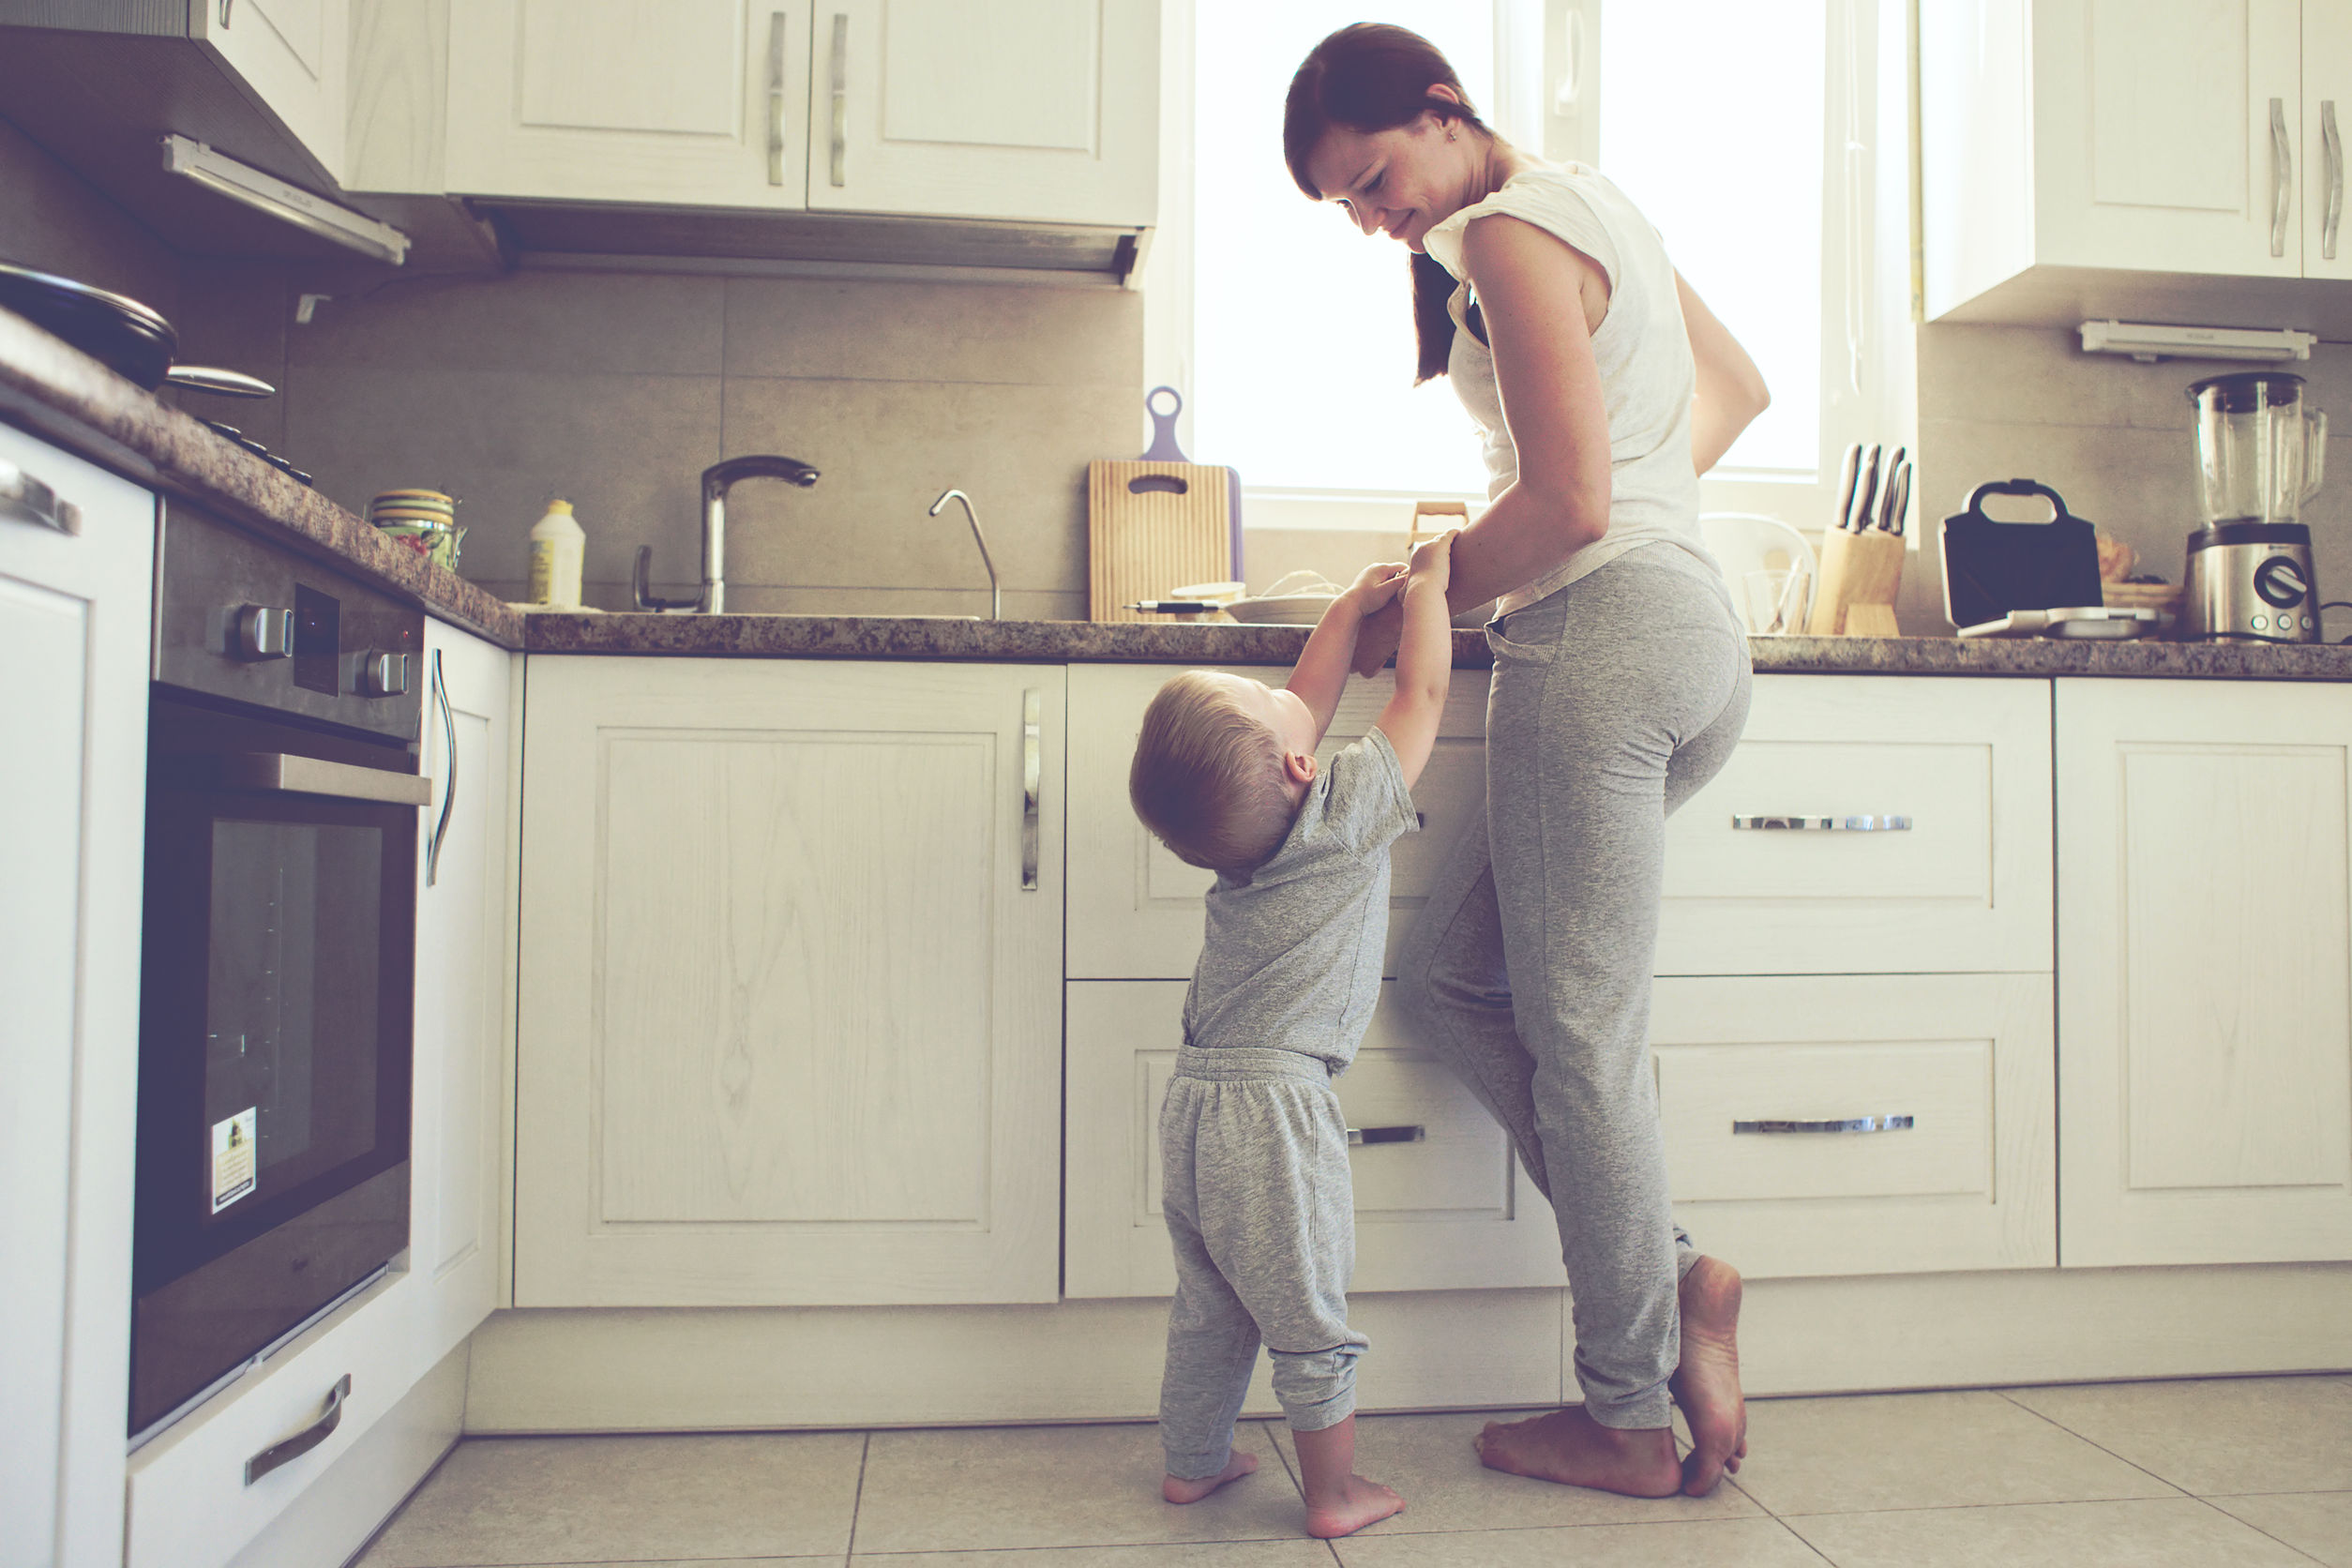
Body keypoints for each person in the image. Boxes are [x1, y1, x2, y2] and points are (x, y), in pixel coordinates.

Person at [1282, 23, 1771, 1500]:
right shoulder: (1596, 202)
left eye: (1375, 181)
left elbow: (1563, 507)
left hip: (1603, 638)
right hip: (1690, 632)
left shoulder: (1502, 231)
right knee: (1465, 983)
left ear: (1443, 113)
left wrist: (1419, 584)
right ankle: (1674, 1277)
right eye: (1351, 211)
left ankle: (1625, 1412)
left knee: (1583, 1034)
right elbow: (1735, 394)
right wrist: (1614, 506)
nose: (1377, 221)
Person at [1127, 533, 1456, 1539]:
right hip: (1276, 1111)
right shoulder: (1344, 809)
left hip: (1192, 1103)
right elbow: (1422, 701)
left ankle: (1193, 1462)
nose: (1289, 695)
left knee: (1212, 1302)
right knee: (1308, 1307)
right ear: (1301, 765)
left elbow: (1299, 708)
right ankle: (1332, 1492)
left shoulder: (1245, 845)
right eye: (1271, 702)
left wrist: (1349, 612)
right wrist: (1431, 593)